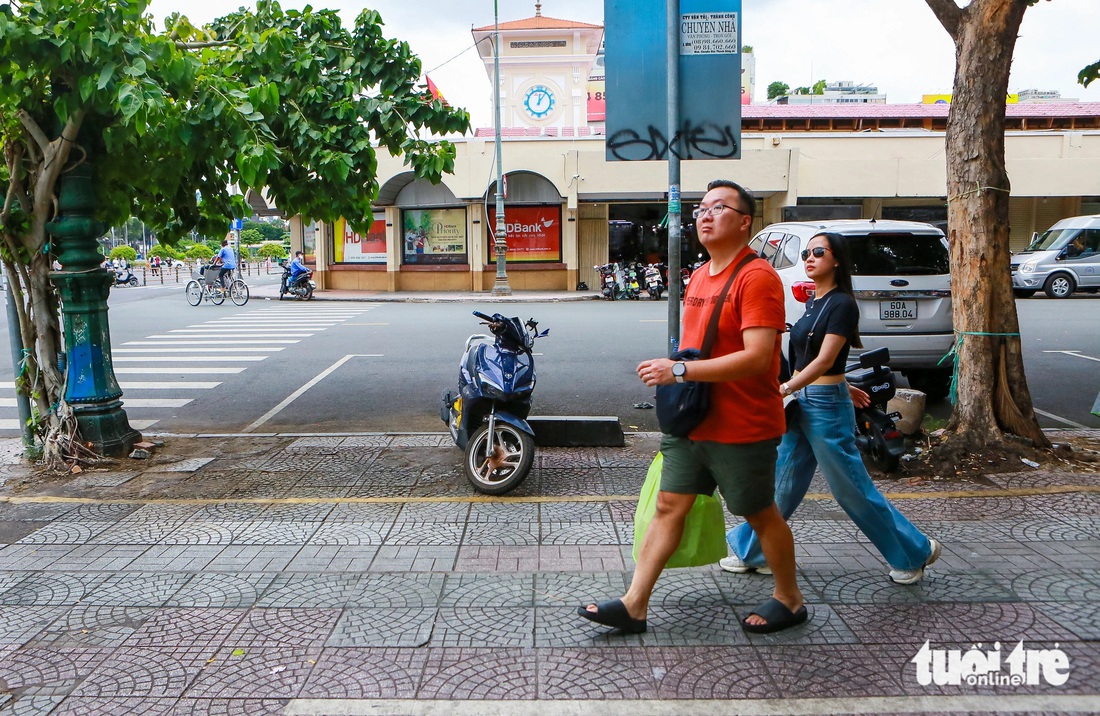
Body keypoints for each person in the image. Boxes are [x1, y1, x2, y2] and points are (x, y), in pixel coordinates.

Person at [577, 179, 808, 635]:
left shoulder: (756, 277)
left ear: (745, 222)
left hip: (742, 423)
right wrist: (679, 382)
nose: (705, 215)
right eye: (702, 208)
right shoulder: (701, 274)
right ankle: (634, 603)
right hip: (694, 420)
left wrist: (678, 373)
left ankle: (790, 598)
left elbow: (759, 357)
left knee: (758, 512)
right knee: (668, 506)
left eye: (719, 207)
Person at [724, 231, 942, 585]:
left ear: (837, 260)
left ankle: (914, 552)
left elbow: (826, 359)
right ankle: (753, 551)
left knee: (851, 489)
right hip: (805, 402)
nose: (809, 258)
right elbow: (820, 359)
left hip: (823, 405)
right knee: (783, 479)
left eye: (819, 252)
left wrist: (787, 387)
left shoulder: (842, 303)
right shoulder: (815, 302)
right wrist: (843, 385)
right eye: (807, 252)